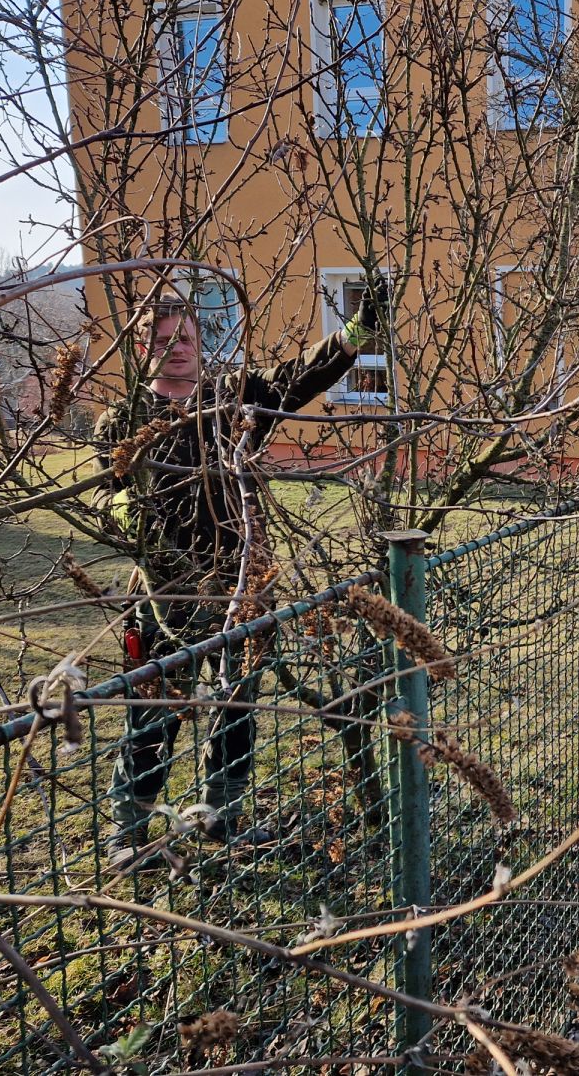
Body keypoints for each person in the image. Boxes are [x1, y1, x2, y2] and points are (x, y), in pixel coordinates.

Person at [98, 286, 374, 868]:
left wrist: (354, 335)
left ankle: (218, 816)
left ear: (201, 342)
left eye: (185, 337)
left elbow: (297, 377)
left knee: (237, 708)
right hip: (161, 594)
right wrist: (138, 526)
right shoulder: (122, 421)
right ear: (142, 348)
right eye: (162, 339)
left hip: (242, 585)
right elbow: (106, 499)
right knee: (151, 710)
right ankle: (129, 830)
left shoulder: (233, 398)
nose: (176, 348)